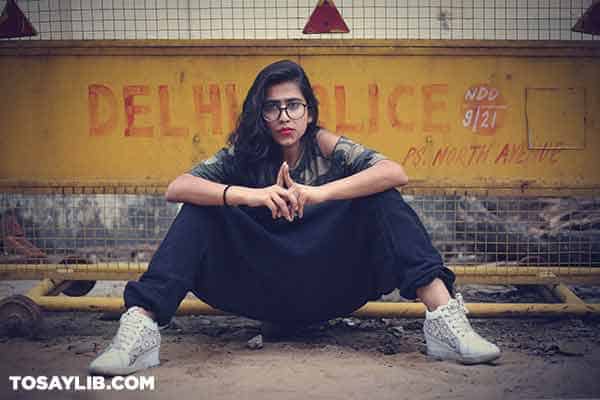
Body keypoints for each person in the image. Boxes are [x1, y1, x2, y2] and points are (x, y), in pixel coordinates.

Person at [89, 60, 500, 376]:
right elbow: (176, 187)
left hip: (330, 283)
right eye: (272, 108)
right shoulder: (243, 155)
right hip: (257, 285)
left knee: (382, 197)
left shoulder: (327, 146)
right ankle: (138, 333)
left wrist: (319, 192)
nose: (284, 116)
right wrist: (252, 196)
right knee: (202, 206)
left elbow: (395, 171)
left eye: (293, 105)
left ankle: (447, 325)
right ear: (260, 114)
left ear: (308, 111)